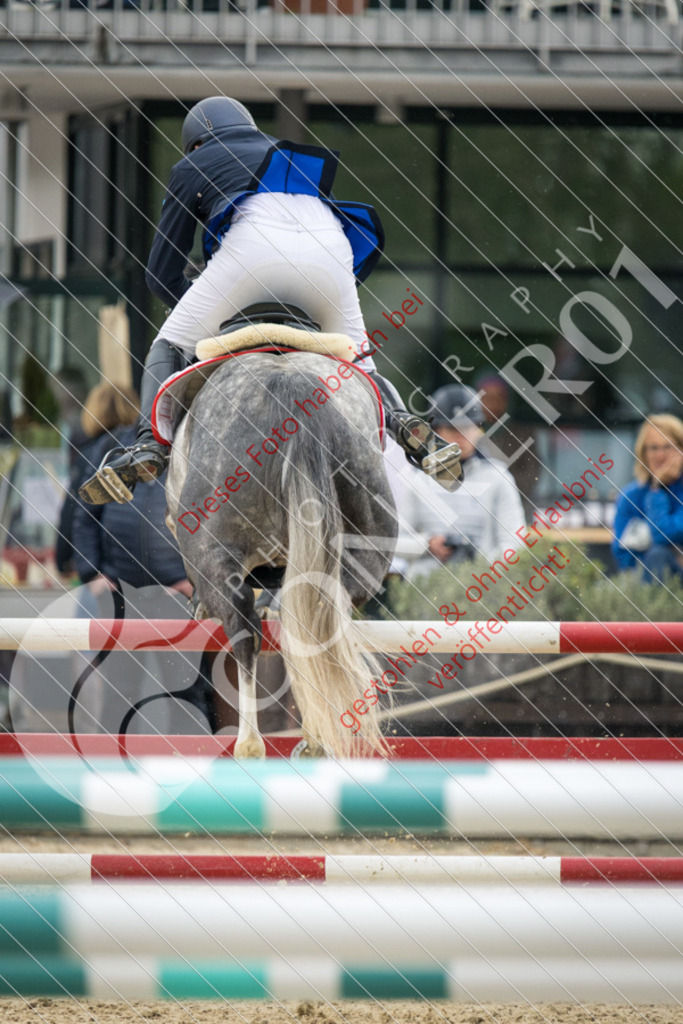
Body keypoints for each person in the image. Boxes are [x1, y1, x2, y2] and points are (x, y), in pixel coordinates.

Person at [80, 95, 461, 505]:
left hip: (254, 251)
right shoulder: (278, 153)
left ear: (195, 144)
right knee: (359, 358)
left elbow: (159, 275)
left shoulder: (194, 163)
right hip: (331, 252)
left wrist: (206, 313)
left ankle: (148, 446)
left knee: (168, 343)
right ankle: (403, 423)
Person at [405, 384, 526, 575]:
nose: (461, 435)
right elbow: (391, 542)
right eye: (452, 428)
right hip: (423, 593)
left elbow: (515, 546)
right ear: (435, 430)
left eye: (468, 426)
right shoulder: (416, 479)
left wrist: (476, 557)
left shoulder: (498, 478)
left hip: (480, 592)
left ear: (479, 429)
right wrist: (427, 545)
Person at [611, 413, 683, 582]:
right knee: (656, 557)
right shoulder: (630, 496)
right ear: (643, 453)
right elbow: (623, 555)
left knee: (658, 555)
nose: (660, 455)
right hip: (646, 588)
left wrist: (656, 493)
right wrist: (656, 487)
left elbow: (661, 534)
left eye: (667, 447)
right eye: (653, 448)